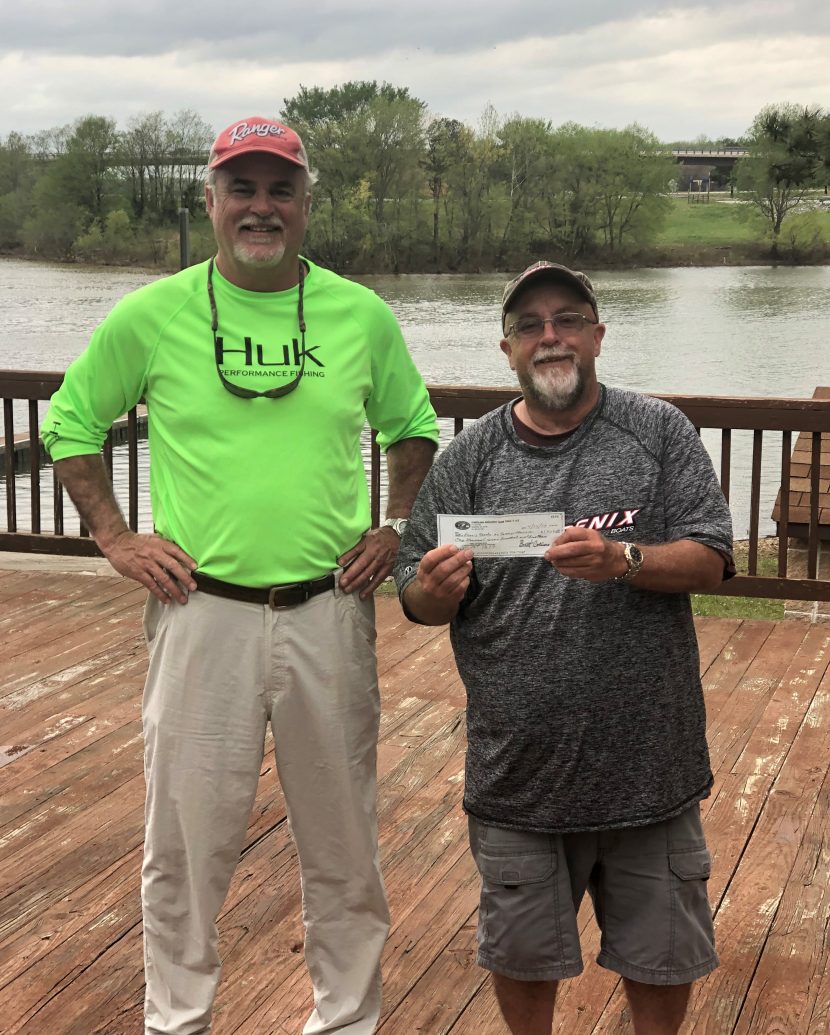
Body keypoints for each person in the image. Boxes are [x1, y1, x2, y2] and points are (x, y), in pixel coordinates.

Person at [41, 115, 438, 1035]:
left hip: (327, 612)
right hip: (199, 613)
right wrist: (114, 536)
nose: (262, 207)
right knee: (184, 844)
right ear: (211, 201)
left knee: (343, 846)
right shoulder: (153, 313)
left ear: (306, 204)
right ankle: (177, 1020)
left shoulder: (360, 314)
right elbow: (70, 424)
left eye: (280, 189)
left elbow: (411, 424)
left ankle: (346, 1020)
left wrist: (393, 524)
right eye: (243, 188)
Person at [393, 261, 734, 1035]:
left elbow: (712, 554)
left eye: (568, 318)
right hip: (519, 769)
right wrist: (434, 591)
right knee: (520, 954)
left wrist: (627, 560)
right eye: (530, 325)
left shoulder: (658, 431)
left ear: (598, 335)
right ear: (507, 349)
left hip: (651, 761)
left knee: (663, 953)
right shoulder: (469, 460)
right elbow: (413, 589)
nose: (551, 336)